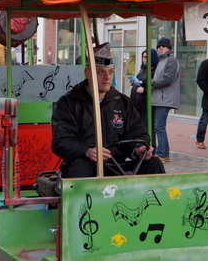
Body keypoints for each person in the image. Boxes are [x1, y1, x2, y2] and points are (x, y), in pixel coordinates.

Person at [51, 42, 164, 178]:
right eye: (100, 72)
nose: (107, 77)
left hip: (117, 167)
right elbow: (61, 141)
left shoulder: (122, 102)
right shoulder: (69, 102)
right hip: (85, 165)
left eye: (110, 72)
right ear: (88, 73)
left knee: (153, 163)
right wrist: (87, 151)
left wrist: (138, 148)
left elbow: (137, 133)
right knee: (80, 166)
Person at [151, 37, 180, 163]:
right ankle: (164, 152)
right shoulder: (161, 61)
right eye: (159, 46)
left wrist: (150, 83)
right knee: (158, 126)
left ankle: (162, 153)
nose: (160, 48)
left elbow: (167, 79)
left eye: (163, 46)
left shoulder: (171, 60)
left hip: (164, 98)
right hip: (159, 98)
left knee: (159, 127)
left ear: (169, 48)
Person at [130, 48, 158, 128]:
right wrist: (133, 86)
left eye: (146, 57)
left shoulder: (155, 71)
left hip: (145, 105)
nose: (144, 60)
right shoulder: (142, 69)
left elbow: (154, 86)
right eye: (143, 57)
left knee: (146, 126)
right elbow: (137, 81)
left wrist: (144, 90)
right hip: (136, 103)